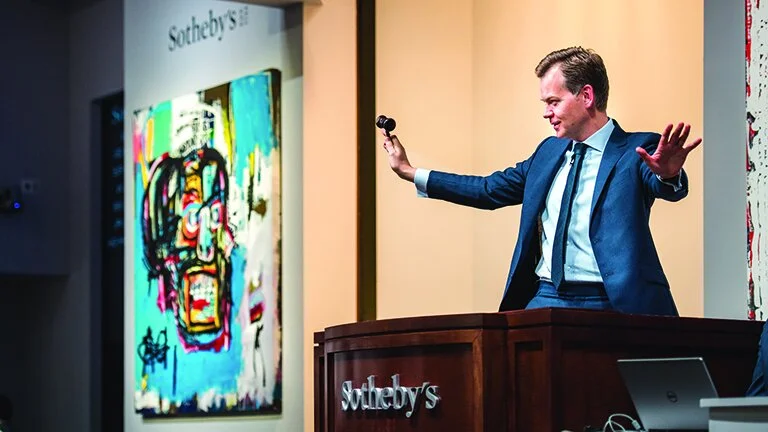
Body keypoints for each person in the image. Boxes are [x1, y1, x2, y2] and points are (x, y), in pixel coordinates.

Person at [381, 46, 701, 316]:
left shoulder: (637, 149)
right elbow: (488, 189)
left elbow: (663, 183)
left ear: (586, 96)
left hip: (611, 302)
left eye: (553, 102)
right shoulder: (548, 152)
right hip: (547, 297)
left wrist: (667, 173)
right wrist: (411, 172)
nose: (546, 113)